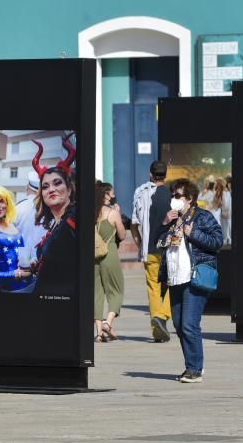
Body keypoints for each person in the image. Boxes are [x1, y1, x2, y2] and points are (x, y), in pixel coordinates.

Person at [157, 178, 222, 383]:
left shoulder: (202, 217)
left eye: (177, 196)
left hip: (194, 277)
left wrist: (192, 232)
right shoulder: (173, 218)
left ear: (190, 199)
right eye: (172, 196)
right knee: (178, 324)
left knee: (189, 324)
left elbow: (217, 242)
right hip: (175, 278)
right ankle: (192, 367)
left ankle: (194, 369)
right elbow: (158, 243)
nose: (173, 200)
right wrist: (165, 225)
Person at [30, 133, 77, 296]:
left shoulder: (75, 217)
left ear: (69, 189)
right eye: (45, 186)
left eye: (57, 183)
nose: (51, 189)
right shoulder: (55, 224)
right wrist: (39, 264)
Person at [130, 160, 171, 342]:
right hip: (169, 249)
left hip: (150, 248)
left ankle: (157, 331)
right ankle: (162, 316)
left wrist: (140, 244)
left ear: (150, 174)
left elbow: (134, 225)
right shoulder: (171, 196)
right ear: (166, 175)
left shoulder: (140, 193)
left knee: (153, 287)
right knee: (174, 285)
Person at [0, 185, 34, 292]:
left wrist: (30, 263)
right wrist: (13, 274)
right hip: (6, 290)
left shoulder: (15, 227)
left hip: (28, 286)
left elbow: (24, 257)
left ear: (7, 204)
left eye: (1, 201)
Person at [94, 181, 126, 342]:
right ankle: (108, 321)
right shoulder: (112, 213)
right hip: (109, 254)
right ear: (106, 195)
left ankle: (99, 333)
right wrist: (118, 213)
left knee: (96, 293)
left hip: (93, 257)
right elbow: (122, 236)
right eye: (111, 193)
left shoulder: (89, 213)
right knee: (116, 289)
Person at [13, 170, 46, 264]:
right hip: (42, 263)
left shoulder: (17, 209)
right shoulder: (51, 209)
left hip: (22, 263)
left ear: (27, 188)